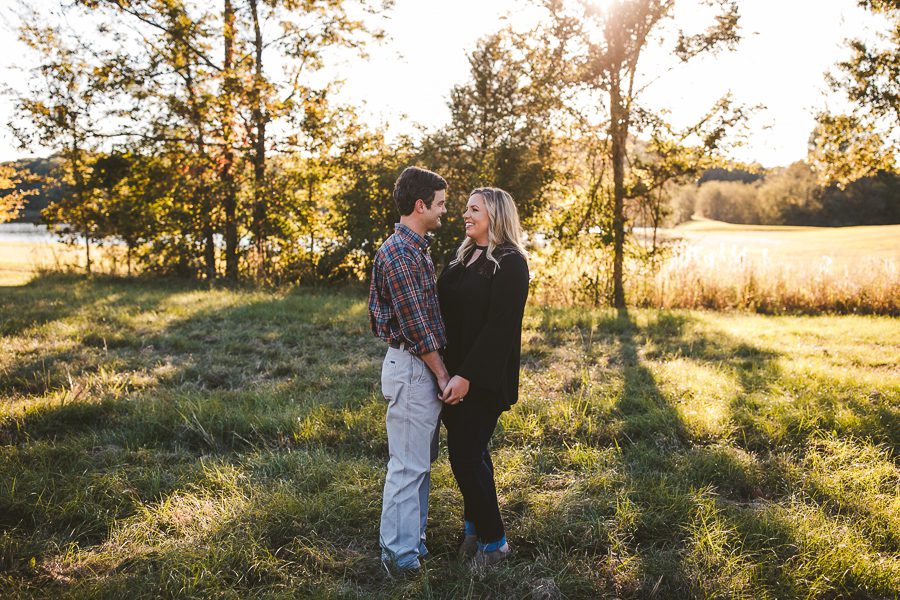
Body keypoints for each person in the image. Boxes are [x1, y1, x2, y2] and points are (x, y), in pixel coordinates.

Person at [437, 187, 530, 567]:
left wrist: (467, 376)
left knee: (465, 457)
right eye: (466, 208)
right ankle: (474, 528)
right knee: (473, 454)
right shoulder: (461, 257)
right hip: (449, 374)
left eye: (474, 209)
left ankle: (495, 544)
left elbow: (499, 328)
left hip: (483, 378)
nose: (465, 214)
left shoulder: (510, 263)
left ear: (495, 215)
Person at [368, 166, 451, 573]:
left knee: (418, 464)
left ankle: (412, 544)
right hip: (414, 365)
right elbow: (417, 326)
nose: (445, 211)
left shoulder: (415, 248)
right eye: (440, 204)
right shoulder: (401, 253)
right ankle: (397, 556)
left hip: (417, 365)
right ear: (421, 205)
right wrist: (441, 374)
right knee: (407, 465)